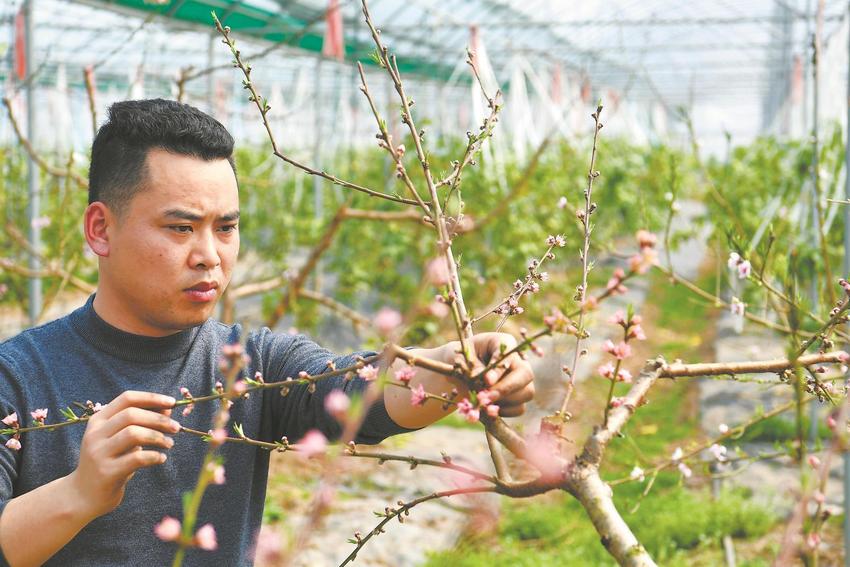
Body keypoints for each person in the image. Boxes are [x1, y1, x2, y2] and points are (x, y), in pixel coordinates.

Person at [0, 99, 535, 566]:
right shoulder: (18, 378)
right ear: (101, 229)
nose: (210, 256)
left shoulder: (250, 364)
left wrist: (458, 366)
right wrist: (80, 492)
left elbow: (359, 391)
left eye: (226, 228)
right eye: (181, 228)